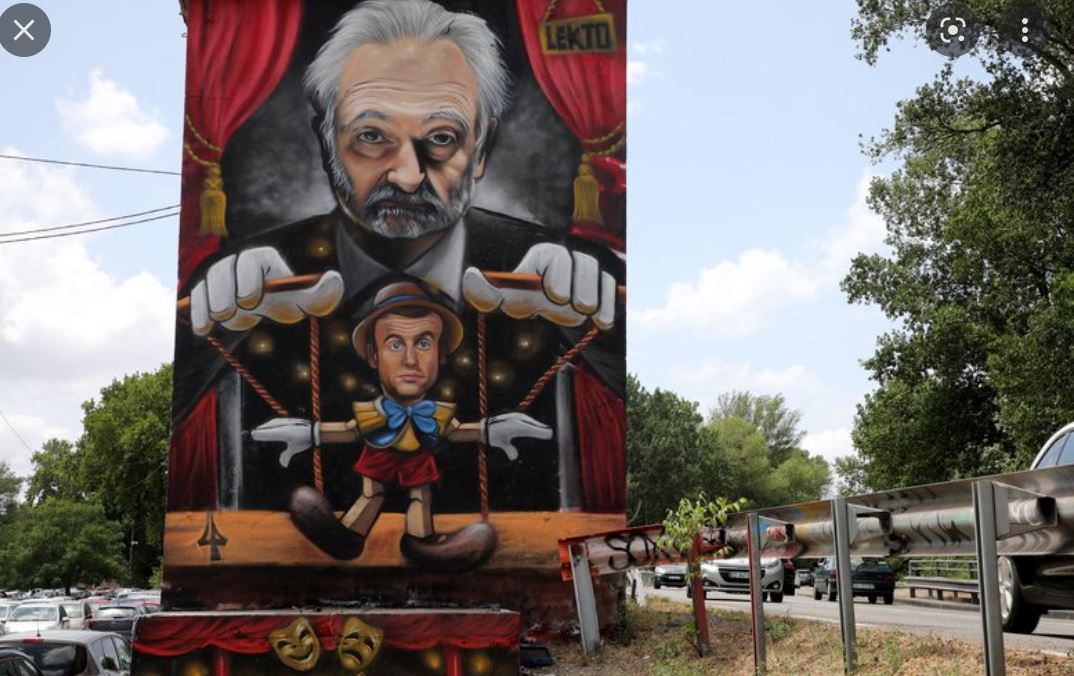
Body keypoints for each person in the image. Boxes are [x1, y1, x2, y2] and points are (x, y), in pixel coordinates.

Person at [251, 280, 553, 569]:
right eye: (395, 344)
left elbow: (456, 431)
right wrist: (310, 434)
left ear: (440, 354)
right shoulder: (376, 412)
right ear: (374, 355)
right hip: (379, 455)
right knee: (372, 495)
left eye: (423, 343)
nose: (410, 359)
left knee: (421, 495)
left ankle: (422, 542)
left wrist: (490, 431)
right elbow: (350, 431)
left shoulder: (433, 413)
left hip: (417, 459)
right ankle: (347, 537)